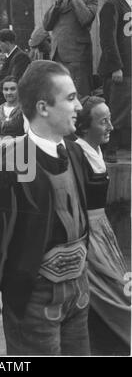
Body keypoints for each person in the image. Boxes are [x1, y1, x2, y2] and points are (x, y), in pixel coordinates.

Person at [0, 60, 92, 356]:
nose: (79, 108)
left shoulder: (74, 151)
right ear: (43, 107)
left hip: (80, 292)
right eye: (71, 98)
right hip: (35, 298)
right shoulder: (12, 161)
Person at [75, 95, 131, 351]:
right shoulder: (75, 154)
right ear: (85, 126)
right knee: (111, 291)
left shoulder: (95, 149)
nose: (111, 126)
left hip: (102, 229)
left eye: (110, 119)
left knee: (117, 288)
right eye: (103, 121)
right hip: (86, 233)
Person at [43, 0, 98, 97]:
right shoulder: (60, 1)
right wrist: (56, 4)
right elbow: (46, 25)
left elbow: (85, 19)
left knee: (80, 96)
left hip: (77, 58)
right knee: (59, 96)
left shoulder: (89, 0)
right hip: (57, 57)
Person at [98, 0, 132, 163]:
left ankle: (118, 147)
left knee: (126, 109)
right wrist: (115, 66)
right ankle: (108, 149)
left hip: (129, 68)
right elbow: (107, 39)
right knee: (115, 110)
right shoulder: (112, 5)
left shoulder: (128, 6)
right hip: (119, 70)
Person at [0, 29, 30, 108]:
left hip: (14, 95)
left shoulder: (21, 57)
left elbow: (14, 79)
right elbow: (0, 76)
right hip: (7, 92)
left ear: (7, 43)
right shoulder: (12, 56)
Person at [0, 75, 27, 152]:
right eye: (6, 89)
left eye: (13, 89)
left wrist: (13, 141)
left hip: (22, 152)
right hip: (1, 153)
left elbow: (30, 136)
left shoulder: (26, 110)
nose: (9, 92)